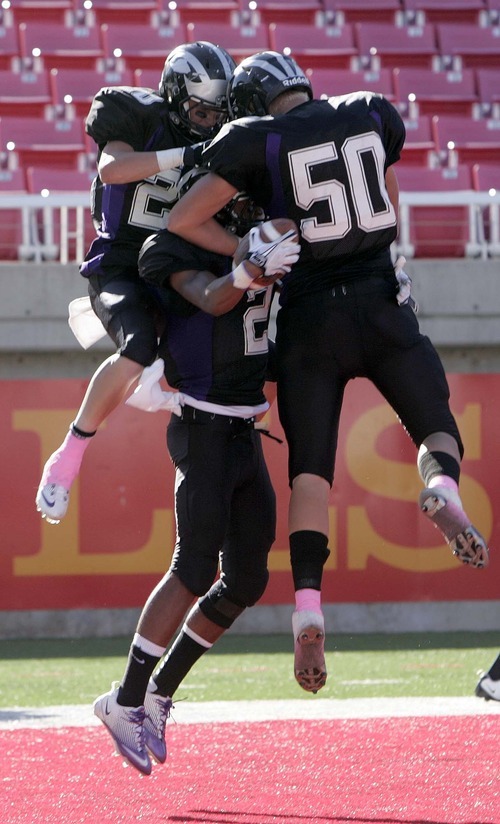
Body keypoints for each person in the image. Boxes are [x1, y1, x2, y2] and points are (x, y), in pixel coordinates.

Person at [165, 50, 491, 695]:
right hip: (381, 301)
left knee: (310, 472)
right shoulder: (368, 110)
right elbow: (389, 206)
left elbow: (183, 219)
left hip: (310, 321)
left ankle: (308, 608)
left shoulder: (253, 138)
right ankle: (445, 491)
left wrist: (252, 250)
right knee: (434, 427)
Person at [92, 169, 301, 775]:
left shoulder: (264, 233)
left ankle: (157, 695)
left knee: (247, 579)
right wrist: (247, 267)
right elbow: (213, 299)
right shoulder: (170, 246)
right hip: (204, 425)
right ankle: (125, 696)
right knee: (192, 567)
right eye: (231, 197)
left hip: (244, 428)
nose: (243, 206)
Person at [35, 40, 237, 524]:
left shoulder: (223, 135)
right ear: (172, 94)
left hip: (175, 264)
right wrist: (186, 155)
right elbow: (114, 166)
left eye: (216, 115)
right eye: (198, 112)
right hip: (121, 263)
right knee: (138, 344)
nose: (209, 123)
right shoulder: (134, 113)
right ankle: (71, 451)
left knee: (230, 339)